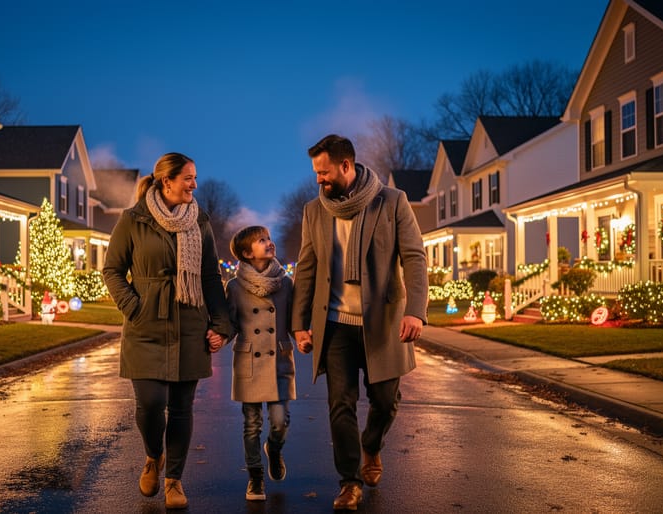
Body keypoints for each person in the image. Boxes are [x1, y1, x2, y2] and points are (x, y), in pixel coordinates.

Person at [291, 134, 428, 511]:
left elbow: (414, 257)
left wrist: (415, 310)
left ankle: (371, 445)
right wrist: (300, 323)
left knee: (385, 402)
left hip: (383, 323)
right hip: (335, 324)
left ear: (346, 166)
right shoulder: (314, 211)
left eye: (324, 172)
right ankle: (349, 481)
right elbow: (307, 269)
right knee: (340, 405)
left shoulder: (391, 201)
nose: (319, 179)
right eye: (316, 172)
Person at [103, 152, 231, 510]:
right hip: (146, 324)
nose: (193, 184)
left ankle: (174, 479)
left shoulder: (200, 223)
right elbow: (112, 270)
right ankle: (152, 456)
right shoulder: (133, 220)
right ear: (166, 181)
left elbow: (209, 278)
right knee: (150, 404)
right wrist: (134, 306)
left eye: (195, 177)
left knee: (180, 408)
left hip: (189, 324)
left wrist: (221, 325)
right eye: (187, 177)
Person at [225, 225, 296, 502]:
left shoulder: (286, 283)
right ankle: (255, 477)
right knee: (251, 424)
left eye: (268, 238)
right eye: (261, 241)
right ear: (246, 253)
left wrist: (305, 334)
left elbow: (295, 320)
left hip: (278, 358)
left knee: (280, 421)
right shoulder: (233, 286)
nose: (269, 243)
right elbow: (230, 324)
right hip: (249, 361)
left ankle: (274, 449)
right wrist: (217, 337)